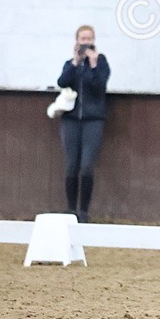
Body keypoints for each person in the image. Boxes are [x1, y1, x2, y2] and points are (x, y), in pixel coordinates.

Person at [56, 25, 110, 222]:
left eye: (89, 38)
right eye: (82, 39)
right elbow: (62, 82)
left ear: (94, 40)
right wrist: (74, 63)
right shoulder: (70, 64)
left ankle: (84, 211)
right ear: (76, 40)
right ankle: (71, 210)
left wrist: (93, 65)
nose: (85, 42)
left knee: (87, 166)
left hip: (93, 120)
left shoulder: (101, 62)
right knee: (71, 165)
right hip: (71, 120)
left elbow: (99, 87)